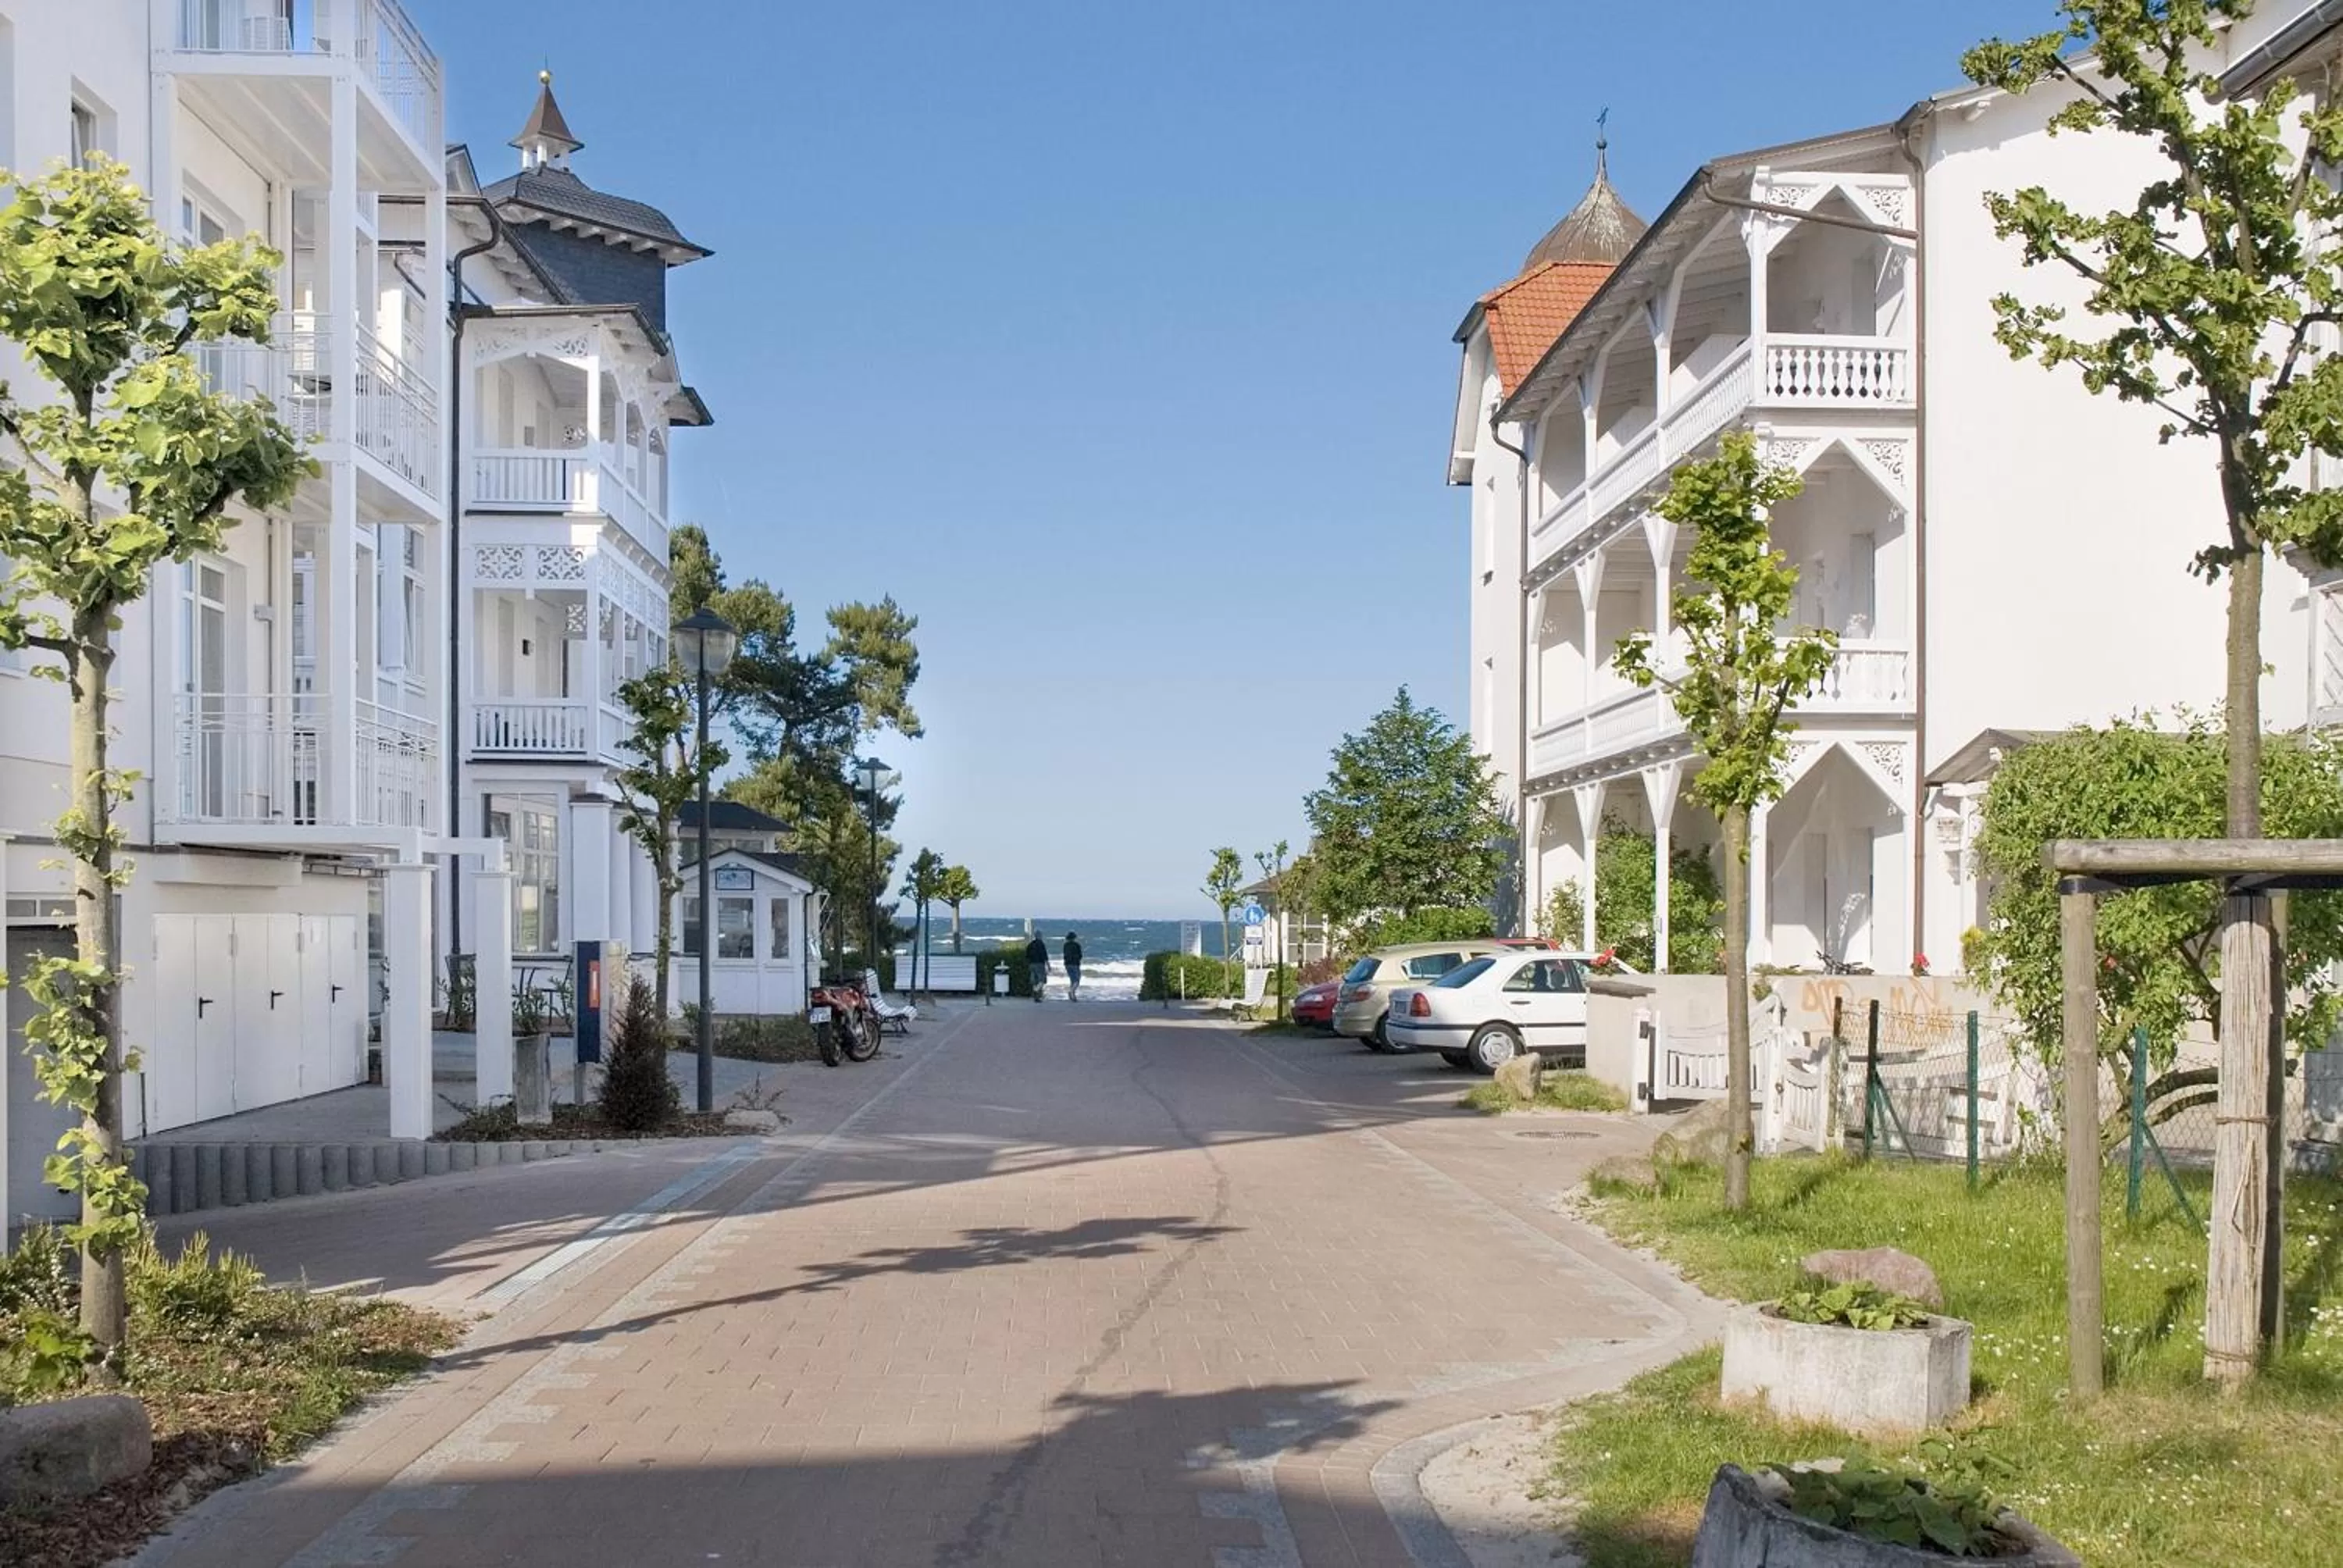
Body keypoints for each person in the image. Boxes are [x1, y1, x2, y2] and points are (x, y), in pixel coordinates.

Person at [1024, 932, 1049, 1002]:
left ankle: (1036, 997)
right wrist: (1048, 965)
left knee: (1034, 980)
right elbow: (1044, 955)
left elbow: (1027, 955)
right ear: (1040, 936)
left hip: (1032, 964)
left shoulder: (1031, 944)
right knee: (1042, 980)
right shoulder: (1041, 944)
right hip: (1040, 964)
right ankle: (1036, 991)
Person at [1063, 932, 1084, 1002]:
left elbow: (1065, 955)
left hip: (1067, 964)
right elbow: (1080, 955)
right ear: (1074, 938)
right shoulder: (1077, 945)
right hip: (1075, 964)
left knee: (1072, 980)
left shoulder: (1065, 945)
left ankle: (1072, 995)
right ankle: (1071, 992)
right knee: (1077, 980)